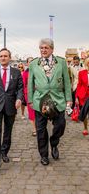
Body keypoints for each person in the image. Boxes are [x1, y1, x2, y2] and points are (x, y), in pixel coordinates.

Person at [28, 38, 72, 166]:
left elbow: (67, 82)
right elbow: (30, 83)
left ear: (52, 49)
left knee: (60, 125)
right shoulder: (34, 64)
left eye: (46, 48)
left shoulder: (61, 62)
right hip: (39, 101)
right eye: (41, 48)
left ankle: (54, 142)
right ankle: (44, 155)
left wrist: (68, 98)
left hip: (57, 100)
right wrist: (30, 100)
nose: (43, 50)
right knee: (41, 130)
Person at [0, 48, 23, 169]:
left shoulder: (16, 72)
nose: (3, 58)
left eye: (5, 56)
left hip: (10, 105)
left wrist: (19, 99)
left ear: (9, 57)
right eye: (1, 56)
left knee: (7, 132)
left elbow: (20, 88)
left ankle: (4, 152)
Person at [22, 57, 36, 136]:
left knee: (38, 111)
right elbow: (23, 85)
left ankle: (39, 127)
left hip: (38, 93)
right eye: (29, 62)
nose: (31, 63)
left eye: (32, 61)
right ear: (27, 63)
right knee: (31, 111)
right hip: (29, 94)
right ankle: (34, 129)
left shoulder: (38, 71)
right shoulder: (25, 73)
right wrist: (25, 94)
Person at [75, 57, 89, 135]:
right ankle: (85, 127)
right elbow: (79, 85)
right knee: (85, 112)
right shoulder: (82, 73)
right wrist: (76, 96)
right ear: (86, 64)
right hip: (84, 95)